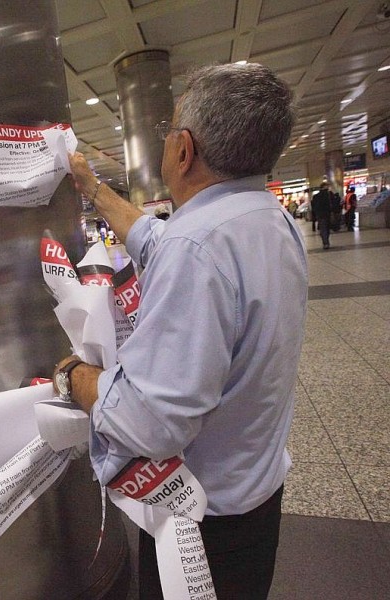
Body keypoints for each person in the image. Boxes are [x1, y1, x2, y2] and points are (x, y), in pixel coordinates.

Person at [56, 63, 307, 600]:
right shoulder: (269, 219)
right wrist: (93, 190)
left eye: (169, 130)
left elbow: (151, 423)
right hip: (258, 498)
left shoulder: (199, 247)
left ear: (184, 150)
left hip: (203, 523)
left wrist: (74, 378)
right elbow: (155, 239)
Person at [312, 182, 334, 249]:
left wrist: (316, 214)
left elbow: (314, 206)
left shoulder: (315, 196)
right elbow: (331, 204)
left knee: (323, 228)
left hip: (320, 215)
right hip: (327, 214)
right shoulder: (328, 195)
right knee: (327, 228)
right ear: (324, 187)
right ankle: (326, 242)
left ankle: (325, 242)